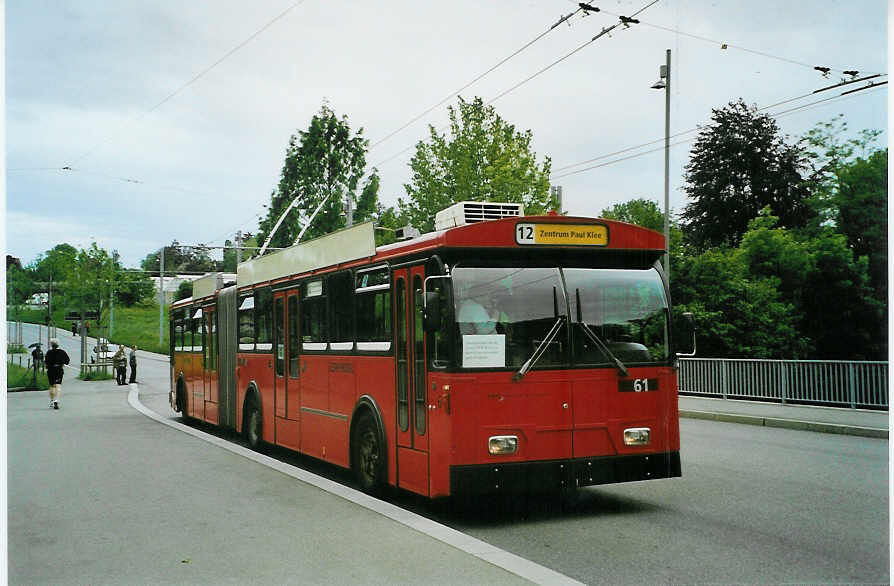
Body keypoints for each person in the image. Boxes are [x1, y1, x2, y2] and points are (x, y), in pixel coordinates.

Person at [44, 339, 70, 410]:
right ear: (58, 344)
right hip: (59, 370)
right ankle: (57, 400)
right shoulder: (62, 352)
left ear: (51, 345)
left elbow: (46, 362)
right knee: (58, 385)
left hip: (51, 370)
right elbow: (67, 361)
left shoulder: (49, 352)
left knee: (52, 385)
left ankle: (52, 401)